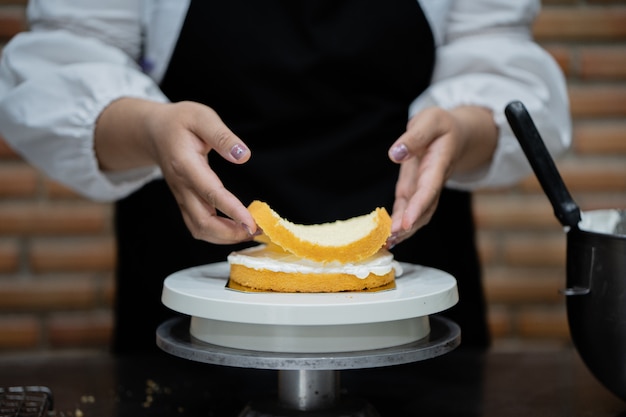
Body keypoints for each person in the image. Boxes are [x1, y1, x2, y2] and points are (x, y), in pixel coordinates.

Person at [0, 0, 570, 354]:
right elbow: (66, 59)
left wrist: (462, 131)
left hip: (403, 261)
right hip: (197, 262)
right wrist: (152, 128)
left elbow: (494, 55)